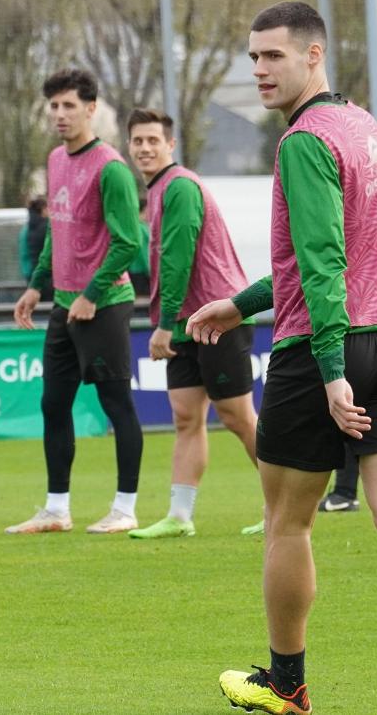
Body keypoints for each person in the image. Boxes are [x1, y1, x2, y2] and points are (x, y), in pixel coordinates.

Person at [188, 1, 377, 715]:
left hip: (321, 350)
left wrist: (333, 370)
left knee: (288, 522)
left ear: (314, 55)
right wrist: (240, 303)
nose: (258, 70)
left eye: (272, 56)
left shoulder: (304, 141)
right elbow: (362, 245)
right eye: (252, 58)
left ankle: (287, 684)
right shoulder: (364, 128)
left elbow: (322, 260)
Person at [6, 68, 144, 536]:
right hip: (65, 305)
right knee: (53, 403)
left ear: (91, 109)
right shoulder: (56, 160)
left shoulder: (111, 168)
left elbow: (129, 244)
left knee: (116, 403)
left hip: (104, 303)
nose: (60, 114)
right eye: (54, 106)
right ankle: (56, 509)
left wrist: (91, 294)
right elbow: (57, 236)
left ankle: (125, 509)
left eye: (69, 106)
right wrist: (36, 286)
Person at [119, 107, 264, 539]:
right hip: (187, 321)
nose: (144, 147)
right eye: (137, 140)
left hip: (218, 316)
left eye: (152, 140)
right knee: (186, 417)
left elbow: (178, 259)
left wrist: (162, 324)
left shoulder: (180, 187)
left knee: (238, 417)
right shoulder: (160, 189)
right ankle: (180, 516)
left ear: (170, 145)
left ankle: (288, 504)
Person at [18, 196, 52, 301]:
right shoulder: (47, 227)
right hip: (46, 278)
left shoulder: (25, 229)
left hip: (30, 276)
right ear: (44, 209)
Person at [129, 195, 152, 296]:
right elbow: (144, 254)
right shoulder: (143, 229)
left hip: (130, 272)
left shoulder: (130, 226)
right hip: (141, 273)